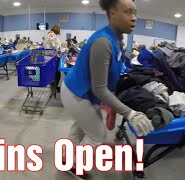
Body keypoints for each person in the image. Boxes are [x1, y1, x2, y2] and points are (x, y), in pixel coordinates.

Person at [60, 0, 154, 178]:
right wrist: (130, 114)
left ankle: (66, 159)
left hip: (82, 93)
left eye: (135, 13)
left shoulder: (117, 40)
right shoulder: (103, 42)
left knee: (80, 128)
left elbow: (115, 68)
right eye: (127, 12)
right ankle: (75, 165)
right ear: (112, 13)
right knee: (97, 135)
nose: (134, 18)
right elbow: (99, 89)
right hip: (77, 93)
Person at [44, 24, 68, 92]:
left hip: (49, 57)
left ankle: (54, 87)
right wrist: (65, 49)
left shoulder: (50, 34)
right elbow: (57, 48)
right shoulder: (52, 35)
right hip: (52, 57)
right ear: (57, 29)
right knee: (56, 73)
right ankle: (55, 87)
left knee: (54, 73)